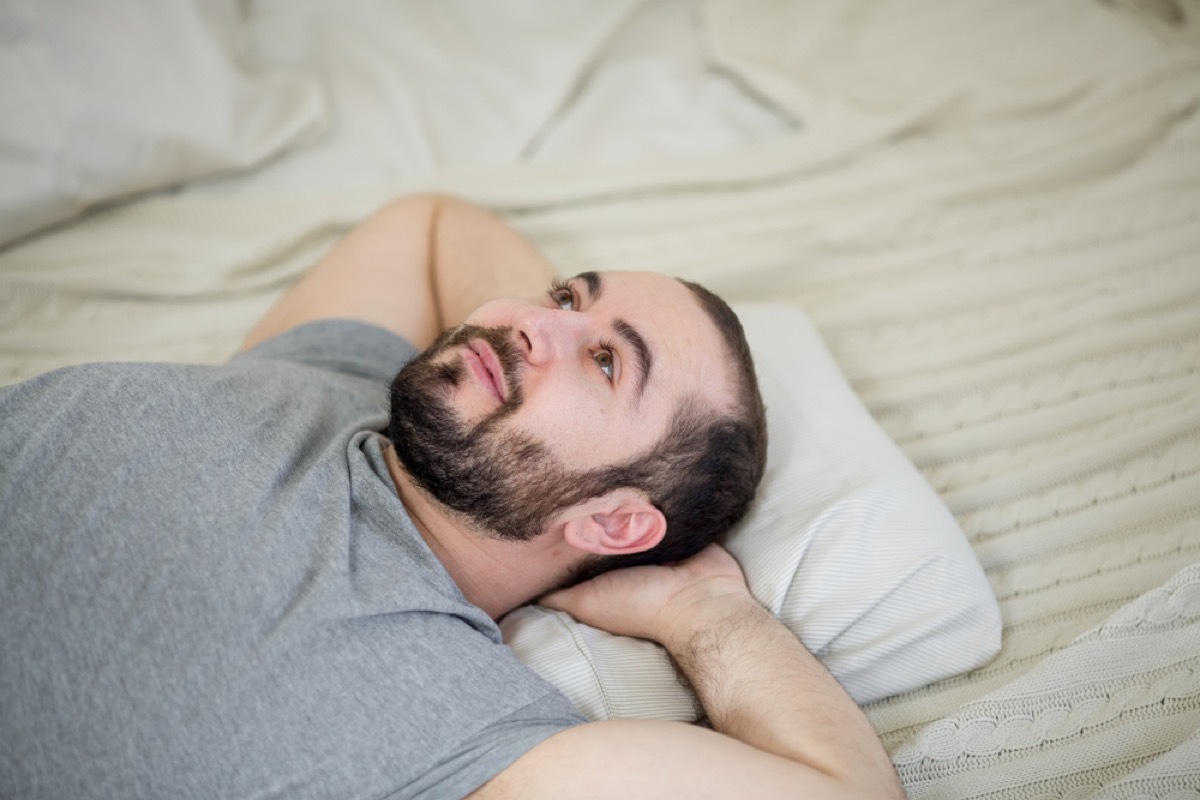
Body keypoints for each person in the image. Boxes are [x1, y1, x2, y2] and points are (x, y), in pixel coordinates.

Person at [0, 195, 903, 799]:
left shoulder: (456, 724)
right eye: (563, 295)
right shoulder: (343, 382)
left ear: (614, 521)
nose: (526, 316)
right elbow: (431, 222)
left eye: (606, 360)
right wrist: (537, 360)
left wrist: (705, 612)